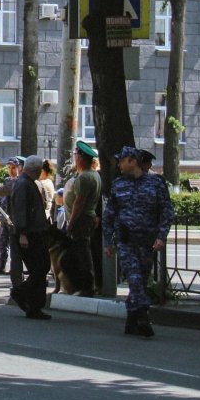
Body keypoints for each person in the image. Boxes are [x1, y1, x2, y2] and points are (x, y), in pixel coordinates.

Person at [103, 145, 175, 338]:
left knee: (141, 280)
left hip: (148, 241)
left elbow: (166, 211)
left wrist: (161, 237)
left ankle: (131, 320)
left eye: (122, 161)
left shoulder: (156, 183)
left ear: (132, 162)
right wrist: (107, 241)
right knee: (134, 277)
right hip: (126, 241)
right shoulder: (118, 184)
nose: (119, 164)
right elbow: (109, 215)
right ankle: (143, 315)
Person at [7, 156, 53, 319]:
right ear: (35, 170)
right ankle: (25, 298)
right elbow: (20, 211)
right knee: (39, 268)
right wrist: (22, 234)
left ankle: (31, 302)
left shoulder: (27, 182)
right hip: (29, 234)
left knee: (41, 268)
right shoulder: (23, 184)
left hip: (35, 232)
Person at [62, 142, 101, 296]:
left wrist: (71, 223)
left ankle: (87, 286)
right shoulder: (94, 174)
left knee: (82, 253)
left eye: (76, 155)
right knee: (84, 251)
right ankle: (87, 284)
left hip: (81, 219)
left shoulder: (84, 177)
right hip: (88, 217)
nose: (75, 158)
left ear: (81, 158)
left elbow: (79, 202)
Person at [0, 156, 21, 274]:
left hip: (13, 218)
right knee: (2, 242)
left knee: (14, 244)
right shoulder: (8, 180)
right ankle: (2, 265)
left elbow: (0, 190)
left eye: (13, 167)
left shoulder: (18, 182)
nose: (11, 170)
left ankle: (14, 267)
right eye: (9, 167)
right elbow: (1, 198)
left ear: (19, 168)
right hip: (4, 216)